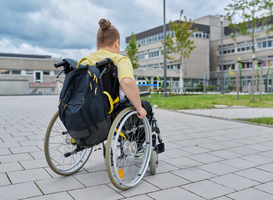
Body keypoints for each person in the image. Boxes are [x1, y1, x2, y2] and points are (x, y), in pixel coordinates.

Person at [82, 19, 147, 119]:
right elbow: (127, 83)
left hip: (84, 109)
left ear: (97, 45)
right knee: (147, 106)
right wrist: (139, 108)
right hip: (109, 110)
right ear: (117, 43)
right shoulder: (120, 59)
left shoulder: (84, 61)